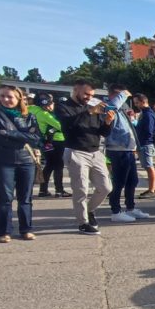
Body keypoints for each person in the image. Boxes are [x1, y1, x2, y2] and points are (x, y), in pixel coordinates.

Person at [55, 79, 114, 235]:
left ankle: (89, 210)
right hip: (76, 151)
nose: (89, 97)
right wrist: (89, 112)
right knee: (81, 189)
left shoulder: (92, 106)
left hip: (95, 151)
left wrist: (108, 122)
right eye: (86, 94)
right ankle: (83, 223)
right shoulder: (63, 106)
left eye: (92, 95)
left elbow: (102, 132)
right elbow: (69, 126)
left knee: (106, 187)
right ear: (76, 90)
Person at [0, 86, 42, 243]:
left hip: (26, 160)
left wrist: (9, 133)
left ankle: (26, 229)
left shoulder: (29, 116)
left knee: (25, 198)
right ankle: (4, 231)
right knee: (5, 198)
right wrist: (23, 136)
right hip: (3, 160)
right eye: (2, 96)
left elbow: (36, 138)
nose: (5, 99)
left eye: (9, 97)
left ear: (19, 98)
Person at [103, 85, 149, 223]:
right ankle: (116, 211)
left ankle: (130, 207)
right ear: (113, 95)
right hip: (118, 150)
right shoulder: (109, 107)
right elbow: (110, 107)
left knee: (132, 180)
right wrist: (123, 94)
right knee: (119, 182)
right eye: (120, 96)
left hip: (128, 150)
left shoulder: (121, 110)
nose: (123, 99)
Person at [26, 94, 68, 198]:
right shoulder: (45, 114)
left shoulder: (32, 109)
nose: (49, 107)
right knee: (58, 165)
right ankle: (59, 190)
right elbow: (61, 126)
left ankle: (43, 190)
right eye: (48, 105)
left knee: (49, 165)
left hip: (44, 141)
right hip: (57, 140)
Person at [133, 94, 155, 198]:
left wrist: (142, 140)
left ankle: (152, 190)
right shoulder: (146, 113)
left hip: (146, 144)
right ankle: (151, 188)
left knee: (149, 166)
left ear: (143, 102)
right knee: (147, 166)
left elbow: (149, 131)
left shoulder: (148, 114)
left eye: (137, 103)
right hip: (144, 143)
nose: (136, 105)